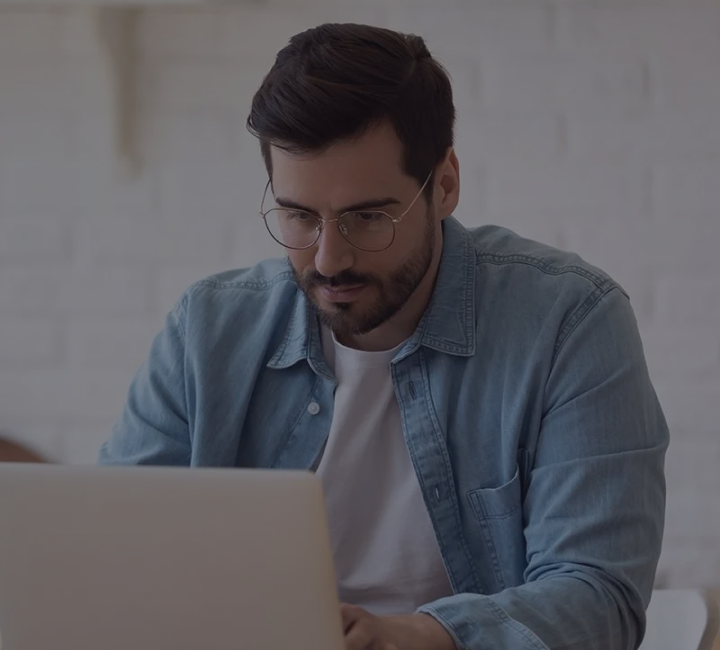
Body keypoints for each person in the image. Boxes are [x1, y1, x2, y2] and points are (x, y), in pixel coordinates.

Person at [98, 23, 669, 650]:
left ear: (444, 184)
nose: (329, 259)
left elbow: (597, 597)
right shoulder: (205, 332)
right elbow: (111, 557)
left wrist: (416, 635)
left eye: (368, 217)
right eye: (299, 216)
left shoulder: (571, 323)